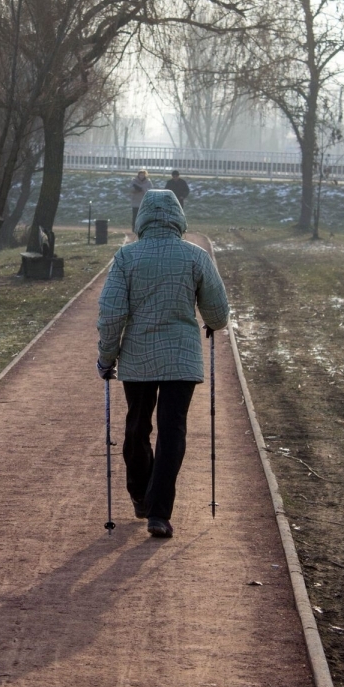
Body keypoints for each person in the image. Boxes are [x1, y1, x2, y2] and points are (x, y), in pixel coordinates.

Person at [96, 189, 229, 538]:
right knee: (173, 431)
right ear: (178, 218)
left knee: (138, 425)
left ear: (142, 218)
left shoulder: (126, 258)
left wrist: (106, 357)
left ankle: (141, 494)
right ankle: (158, 512)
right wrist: (212, 323)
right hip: (182, 359)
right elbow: (218, 311)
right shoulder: (196, 256)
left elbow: (111, 314)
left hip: (137, 359)